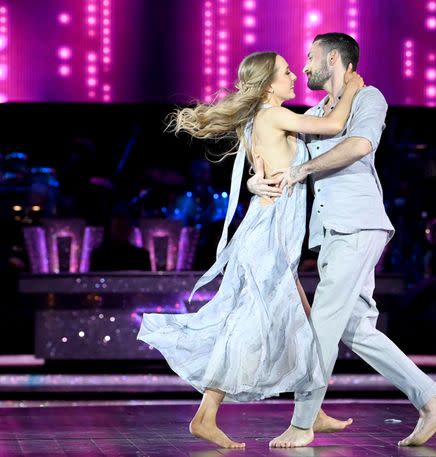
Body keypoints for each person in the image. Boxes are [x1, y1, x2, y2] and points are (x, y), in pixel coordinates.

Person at [137, 51, 364, 449]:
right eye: (286, 72)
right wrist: (353, 87)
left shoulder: (261, 117)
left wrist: (255, 185)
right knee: (249, 325)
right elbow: (333, 124)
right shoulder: (273, 113)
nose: (295, 76)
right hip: (269, 235)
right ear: (268, 84)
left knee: (304, 322)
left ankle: (312, 409)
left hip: (273, 233)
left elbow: (261, 173)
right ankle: (206, 415)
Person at [247, 33, 436, 449]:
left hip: (358, 224)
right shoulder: (319, 112)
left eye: (310, 57)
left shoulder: (369, 98)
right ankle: (430, 400)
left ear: (334, 58)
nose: (304, 66)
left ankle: (303, 422)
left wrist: (305, 171)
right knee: (357, 329)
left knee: (322, 323)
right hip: (332, 233)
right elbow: (276, 156)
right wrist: (255, 179)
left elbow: (359, 145)